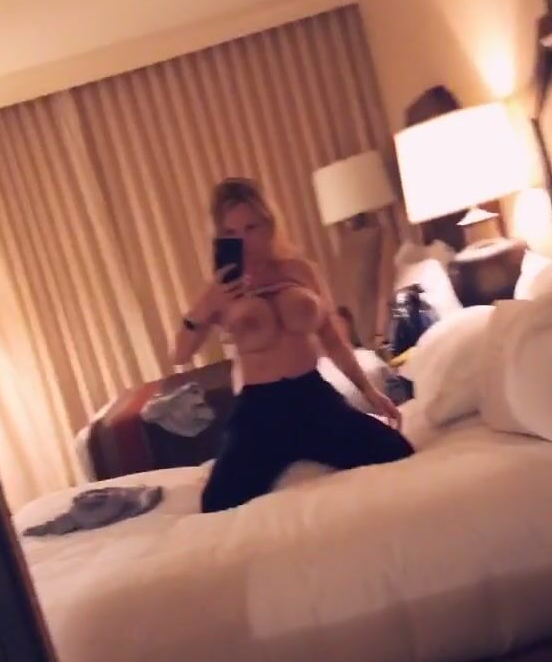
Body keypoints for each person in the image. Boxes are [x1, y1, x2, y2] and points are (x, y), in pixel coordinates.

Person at [172, 178, 413, 512]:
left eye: (251, 227)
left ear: (268, 224)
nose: (243, 240)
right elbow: (180, 354)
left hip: (312, 396)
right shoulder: (219, 291)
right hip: (259, 411)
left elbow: (332, 339)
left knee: (396, 451)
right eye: (231, 232)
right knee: (218, 503)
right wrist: (204, 305)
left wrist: (369, 391)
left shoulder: (301, 271)